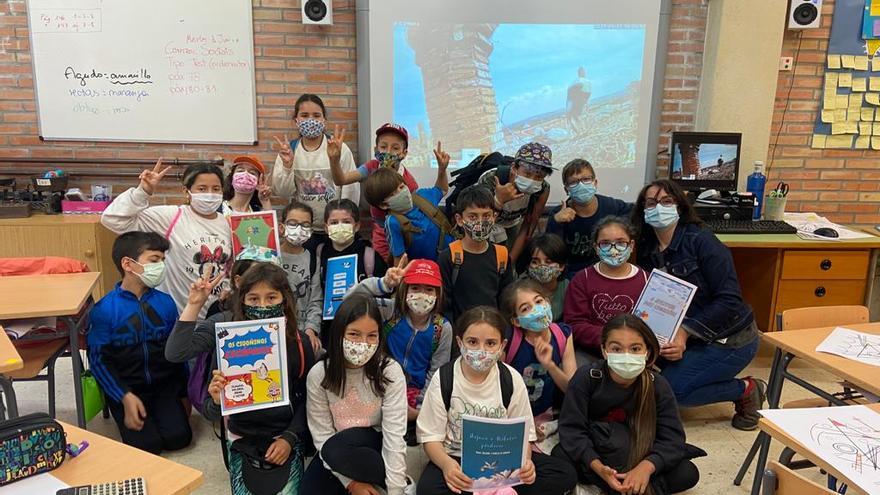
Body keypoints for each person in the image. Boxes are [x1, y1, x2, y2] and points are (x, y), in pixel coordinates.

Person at [170, 262, 315, 495]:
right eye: (253, 299)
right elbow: (176, 353)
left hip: (285, 434)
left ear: (284, 299)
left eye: (271, 297)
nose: (263, 305)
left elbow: (308, 401)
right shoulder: (226, 330)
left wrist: (289, 438)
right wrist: (194, 304)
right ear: (242, 300)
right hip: (240, 437)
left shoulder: (298, 342)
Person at [632, 179, 764, 431]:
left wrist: (684, 332)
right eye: (651, 203)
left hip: (731, 339)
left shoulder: (703, 242)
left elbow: (729, 300)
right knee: (650, 384)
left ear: (680, 207)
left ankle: (746, 389)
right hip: (690, 337)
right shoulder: (648, 246)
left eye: (666, 201)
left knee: (673, 393)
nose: (658, 207)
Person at [416, 306, 577, 495]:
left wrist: (526, 463)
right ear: (460, 342)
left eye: (491, 343)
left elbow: (524, 434)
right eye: (472, 342)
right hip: (457, 457)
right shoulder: (444, 378)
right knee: (428, 490)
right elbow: (430, 438)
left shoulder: (511, 379)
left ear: (502, 346)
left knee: (564, 474)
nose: (481, 350)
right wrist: (447, 465)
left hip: (505, 461)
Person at [557, 313, 701, 495]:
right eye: (616, 349)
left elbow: (672, 439)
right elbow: (572, 430)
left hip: (639, 452)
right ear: (604, 350)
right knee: (561, 458)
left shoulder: (658, 385)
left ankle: (624, 486)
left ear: (646, 351)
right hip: (599, 452)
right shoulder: (587, 377)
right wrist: (599, 467)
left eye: (635, 349)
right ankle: (625, 487)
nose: (626, 356)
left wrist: (646, 467)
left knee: (687, 473)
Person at [88, 231, 191, 454]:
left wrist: (184, 393)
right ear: (128, 264)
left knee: (179, 438)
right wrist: (123, 396)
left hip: (163, 386)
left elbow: (177, 353)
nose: (161, 266)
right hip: (127, 388)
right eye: (154, 260)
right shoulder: (104, 310)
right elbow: (98, 361)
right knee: (147, 447)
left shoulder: (165, 303)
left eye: (163, 261)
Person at [303, 294, 409, 495]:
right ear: (339, 334)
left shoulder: (389, 371)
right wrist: (350, 483)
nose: (363, 343)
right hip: (334, 451)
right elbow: (322, 435)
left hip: (374, 449)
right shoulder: (319, 375)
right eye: (354, 334)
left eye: (371, 336)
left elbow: (394, 435)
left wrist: (396, 489)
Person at [102, 159, 231, 317]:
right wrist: (142, 191)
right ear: (186, 191)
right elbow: (113, 219)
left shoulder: (228, 222)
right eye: (202, 188)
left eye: (216, 188)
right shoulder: (171, 216)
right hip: (179, 317)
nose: (210, 194)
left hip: (217, 314)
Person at [348, 256, 452, 431]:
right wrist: (383, 283)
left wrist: (419, 409)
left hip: (416, 396)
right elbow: (350, 301)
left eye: (429, 289)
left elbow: (436, 373)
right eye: (415, 288)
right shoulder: (389, 311)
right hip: (378, 386)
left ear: (438, 294)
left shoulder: (442, 328)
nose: (422, 294)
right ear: (405, 289)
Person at [327, 122, 445, 260]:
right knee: (381, 265)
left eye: (395, 148)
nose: (388, 152)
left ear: (404, 153)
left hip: (402, 231)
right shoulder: (372, 167)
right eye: (383, 147)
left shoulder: (409, 182)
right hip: (381, 231)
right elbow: (341, 180)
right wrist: (334, 160)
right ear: (375, 149)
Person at [271, 94, 360, 247]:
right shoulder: (289, 150)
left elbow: (351, 190)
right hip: (304, 230)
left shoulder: (339, 149)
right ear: (296, 120)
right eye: (304, 115)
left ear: (324, 120)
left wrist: (344, 224)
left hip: (335, 229)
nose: (310, 120)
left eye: (316, 115)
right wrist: (287, 166)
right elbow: (282, 192)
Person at [500, 279, 576, 454]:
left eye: (539, 301)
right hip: (513, 416)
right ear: (517, 321)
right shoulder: (510, 340)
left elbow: (572, 389)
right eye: (526, 308)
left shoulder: (563, 334)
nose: (536, 309)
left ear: (548, 302)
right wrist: (523, 422)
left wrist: (550, 365)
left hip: (547, 417)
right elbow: (497, 387)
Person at [564, 217, 647, 360]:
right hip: (592, 352)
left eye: (621, 243)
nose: (613, 249)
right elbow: (574, 324)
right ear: (596, 247)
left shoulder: (647, 280)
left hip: (635, 351)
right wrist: (613, 339)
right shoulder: (582, 279)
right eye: (605, 244)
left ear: (631, 245)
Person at [437, 185, 515, 322]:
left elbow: (506, 300)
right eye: (472, 216)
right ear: (459, 220)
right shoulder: (448, 257)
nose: (480, 222)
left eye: (486, 216)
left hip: (493, 332)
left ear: (494, 217)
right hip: (461, 334)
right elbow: (444, 305)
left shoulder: (501, 255)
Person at [546, 159, 632, 279]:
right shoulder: (558, 214)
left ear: (595, 183)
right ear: (566, 189)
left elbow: (632, 220)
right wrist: (556, 222)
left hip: (606, 270)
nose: (581, 185)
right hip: (571, 276)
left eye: (586, 179)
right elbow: (551, 253)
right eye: (574, 182)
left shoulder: (612, 206)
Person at [477, 142, 553, 263]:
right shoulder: (491, 179)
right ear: (514, 168)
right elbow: (478, 226)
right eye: (527, 174)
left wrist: (510, 262)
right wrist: (498, 201)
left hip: (513, 223)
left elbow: (528, 226)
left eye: (539, 177)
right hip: (487, 224)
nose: (531, 180)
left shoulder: (542, 189)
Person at [362, 163, 453, 264]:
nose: (401, 192)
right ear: (384, 205)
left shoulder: (422, 196)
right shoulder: (393, 222)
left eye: (401, 187)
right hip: (427, 270)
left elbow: (442, 190)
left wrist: (442, 170)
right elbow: (400, 258)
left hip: (453, 258)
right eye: (393, 194)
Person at [279, 200, 323, 353]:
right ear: (282, 227)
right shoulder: (270, 255)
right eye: (293, 223)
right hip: (275, 330)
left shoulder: (312, 260)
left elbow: (315, 299)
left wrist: (311, 329)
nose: (299, 229)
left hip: (302, 332)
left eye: (305, 225)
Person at [517, 233, 568, 322]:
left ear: (561, 266)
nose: (542, 266)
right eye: (535, 262)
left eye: (548, 262)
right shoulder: (519, 291)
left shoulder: (569, 288)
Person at [566, 67, 591, 135]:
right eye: (584, 72)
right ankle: (581, 131)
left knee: (574, 117)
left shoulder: (576, 82)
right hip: (580, 101)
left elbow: (569, 94)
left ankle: (580, 131)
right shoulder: (585, 81)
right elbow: (588, 93)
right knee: (577, 117)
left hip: (577, 101)